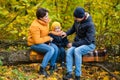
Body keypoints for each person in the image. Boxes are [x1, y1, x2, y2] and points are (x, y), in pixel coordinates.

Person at [62, 7, 96, 80]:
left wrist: (73, 44)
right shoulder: (77, 20)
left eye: (76, 18)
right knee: (69, 51)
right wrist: (66, 33)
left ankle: (77, 75)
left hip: (89, 44)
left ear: (82, 17)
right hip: (78, 43)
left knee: (77, 51)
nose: (75, 19)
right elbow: (73, 29)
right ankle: (69, 73)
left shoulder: (90, 25)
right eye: (75, 17)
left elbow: (88, 40)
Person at [27, 8, 58, 77]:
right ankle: (42, 69)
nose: (48, 17)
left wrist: (49, 40)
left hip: (43, 42)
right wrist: (48, 38)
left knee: (55, 48)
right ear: (41, 18)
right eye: (46, 16)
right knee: (51, 49)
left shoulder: (46, 22)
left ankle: (52, 66)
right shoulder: (35, 26)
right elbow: (37, 41)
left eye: (47, 15)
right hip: (34, 44)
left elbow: (45, 34)